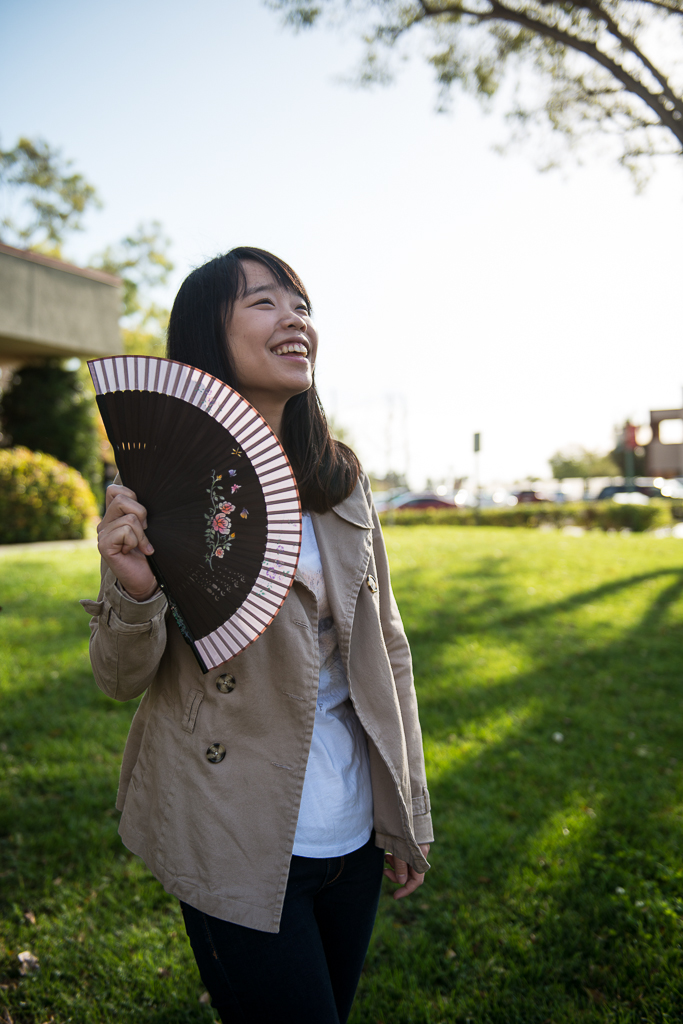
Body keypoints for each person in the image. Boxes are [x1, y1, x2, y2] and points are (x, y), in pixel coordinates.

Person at [83, 246, 433, 1024]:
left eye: (301, 304)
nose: (295, 319)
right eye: (265, 302)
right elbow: (118, 677)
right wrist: (137, 591)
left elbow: (388, 651)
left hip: (350, 835)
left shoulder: (342, 479)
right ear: (210, 337)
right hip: (231, 826)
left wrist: (405, 808)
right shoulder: (160, 488)